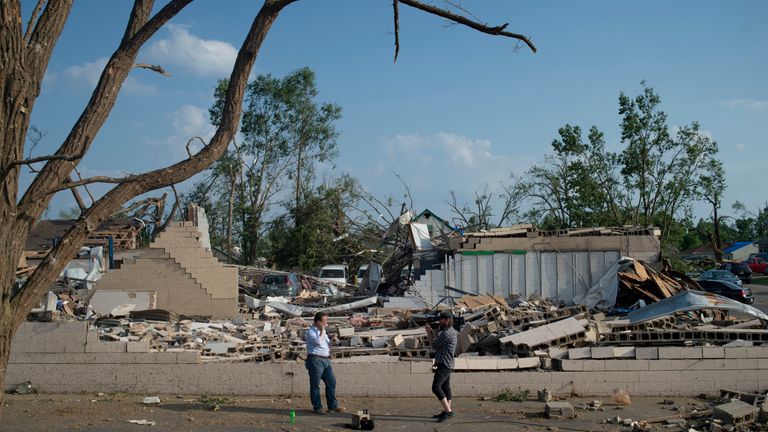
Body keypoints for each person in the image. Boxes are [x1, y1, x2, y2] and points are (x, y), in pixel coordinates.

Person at [305, 311, 345, 414]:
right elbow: (318, 343)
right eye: (324, 321)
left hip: (325, 359)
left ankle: (332, 406)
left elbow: (326, 344)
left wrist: (332, 339)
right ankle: (317, 407)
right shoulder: (311, 332)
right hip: (315, 360)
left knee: (331, 382)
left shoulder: (323, 331)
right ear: (318, 322)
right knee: (315, 385)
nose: (326, 323)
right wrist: (322, 330)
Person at [425, 310, 458, 423]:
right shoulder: (448, 332)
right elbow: (439, 343)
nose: (440, 321)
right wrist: (434, 332)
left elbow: (434, 345)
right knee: (445, 387)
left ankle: (448, 412)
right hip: (446, 362)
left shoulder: (447, 333)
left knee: (436, 387)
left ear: (448, 320)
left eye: (442, 319)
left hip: (444, 363)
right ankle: (446, 410)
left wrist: (429, 332)